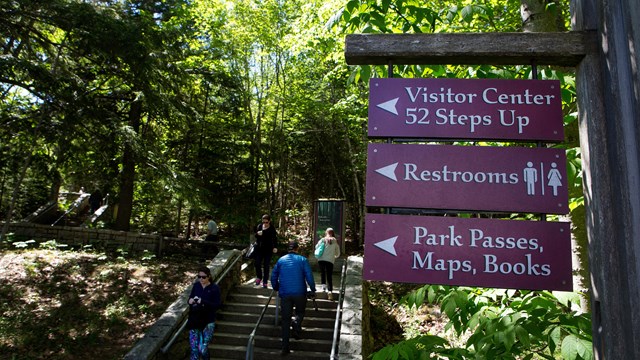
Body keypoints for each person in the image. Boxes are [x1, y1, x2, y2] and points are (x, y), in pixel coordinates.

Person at [270, 241, 316, 355]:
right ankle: (296, 323)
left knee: (285, 321)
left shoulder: (281, 260)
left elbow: (273, 275)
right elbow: (309, 275)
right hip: (300, 292)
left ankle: (285, 348)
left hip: (285, 293)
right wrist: (313, 289)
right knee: (300, 312)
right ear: (297, 249)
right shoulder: (302, 260)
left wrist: (276, 287)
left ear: (288, 249)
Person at [187, 266, 222, 360]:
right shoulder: (196, 286)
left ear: (209, 276)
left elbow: (217, 305)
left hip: (208, 322)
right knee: (194, 349)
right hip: (195, 320)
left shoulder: (215, 288)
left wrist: (202, 302)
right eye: (199, 276)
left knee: (202, 349)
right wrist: (190, 301)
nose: (201, 279)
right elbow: (190, 298)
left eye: (204, 277)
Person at [315, 227, 341, 300]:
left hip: (321, 259)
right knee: (329, 275)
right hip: (330, 260)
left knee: (322, 273)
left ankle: (323, 287)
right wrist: (335, 256)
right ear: (332, 233)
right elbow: (338, 252)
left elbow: (316, 247)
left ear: (326, 232)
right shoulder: (334, 241)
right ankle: (330, 291)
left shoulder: (322, 240)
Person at [254, 214, 278, 288]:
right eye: (263, 222)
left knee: (266, 265)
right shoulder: (259, 226)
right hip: (259, 249)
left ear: (269, 221)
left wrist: (275, 247)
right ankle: (259, 277)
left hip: (268, 249)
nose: (264, 224)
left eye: (266, 222)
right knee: (257, 263)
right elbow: (256, 236)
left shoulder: (272, 228)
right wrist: (257, 234)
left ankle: (265, 282)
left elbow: (274, 238)